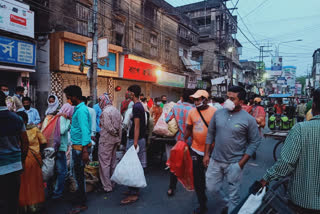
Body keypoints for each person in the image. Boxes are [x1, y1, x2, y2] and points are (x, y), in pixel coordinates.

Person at [259, 87, 320, 213]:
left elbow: (286, 163)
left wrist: (265, 179)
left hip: (304, 202)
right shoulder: (278, 107)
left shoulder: (301, 129)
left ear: (313, 105)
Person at [204, 86, 261, 214]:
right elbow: (210, 133)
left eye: (232, 98)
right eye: (227, 97)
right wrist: (206, 155)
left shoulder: (248, 119)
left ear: (241, 102)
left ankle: (231, 208)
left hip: (234, 163)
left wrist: (241, 164)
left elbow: (255, 141)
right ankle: (225, 203)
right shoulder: (218, 113)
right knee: (211, 188)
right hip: (215, 160)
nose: (228, 101)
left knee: (234, 196)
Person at [184, 90, 217, 214]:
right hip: (196, 150)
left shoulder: (214, 112)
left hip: (212, 151)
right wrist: (182, 141)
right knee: (198, 180)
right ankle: (202, 205)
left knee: (213, 180)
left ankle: (225, 202)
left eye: (198, 99)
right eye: (195, 99)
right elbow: (188, 128)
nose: (196, 102)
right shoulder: (191, 112)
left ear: (205, 99)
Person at [63, 85, 91, 214]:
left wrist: (85, 151)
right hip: (78, 147)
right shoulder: (79, 109)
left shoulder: (81, 110)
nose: (68, 100)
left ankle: (81, 203)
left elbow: (85, 131)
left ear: (74, 96)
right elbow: (78, 126)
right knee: (78, 175)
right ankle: (81, 200)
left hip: (80, 148)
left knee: (79, 176)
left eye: (69, 97)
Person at [0, 91, 29, 214]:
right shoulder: (17, 118)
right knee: (12, 202)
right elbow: (25, 143)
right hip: (15, 167)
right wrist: (21, 161)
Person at [121, 85, 146, 205]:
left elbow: (137, 126)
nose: (127, 94)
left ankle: (134, 193)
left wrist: (135, 143)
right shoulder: (139, 105)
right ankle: (132, 189)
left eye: (129, 92)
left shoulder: (136, 106)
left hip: (136, 140)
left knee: (133, 166)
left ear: (132, 93)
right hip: (137, 139)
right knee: (133, 165)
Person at [16, 111, 47, 213]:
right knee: (35, 182)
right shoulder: (34, 129)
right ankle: (35, 206)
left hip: (21, 160)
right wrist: (37, 151)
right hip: (34, 160)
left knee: (23, 184)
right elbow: (43, 142)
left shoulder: (15, 131)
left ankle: (23, 206)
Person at [165, 89, 194, 196]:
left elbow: (167, 119)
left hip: (179, 140)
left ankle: (171, 188)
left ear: (182, 97)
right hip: (192, 141)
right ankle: (192, 185)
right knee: (192, 164)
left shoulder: (176, 107)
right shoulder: (194, 109)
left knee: (175, 163)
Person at [98, 93, 122, 193]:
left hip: (106, 140)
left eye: (100, 101)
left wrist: (114, 133)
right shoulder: (115, 110)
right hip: (114, 141)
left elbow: (108, 127)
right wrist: (118, 137)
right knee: (112, 162)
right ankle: (112, 182)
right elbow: (120, 125)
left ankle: (107, 186)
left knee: (104, 163)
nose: (99, 103)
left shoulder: (105, 112)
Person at [50, 103, 74, 200]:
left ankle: (53, 190)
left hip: (56, 147)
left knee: (56, 170)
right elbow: (62, 131)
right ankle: (58, 193)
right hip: (60, 147)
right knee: (62, 171)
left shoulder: (57, 116)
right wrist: (68, 121)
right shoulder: (63, 118)